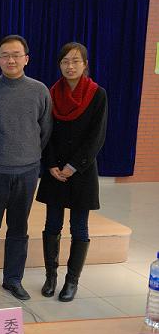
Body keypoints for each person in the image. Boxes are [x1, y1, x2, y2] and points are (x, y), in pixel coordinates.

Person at [0, 35, 52, 301]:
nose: (11, 60)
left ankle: (13, 279)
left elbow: (45, 130)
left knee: (19, 228)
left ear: (26, 59)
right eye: (5, 55)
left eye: (16, 55)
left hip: (27, 171)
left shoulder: (39, 90)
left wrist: (29, 155)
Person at [36, 42, 107, 302]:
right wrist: (51, 164)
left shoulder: (97, 94)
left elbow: (96, 137)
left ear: (85, 64)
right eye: (65, 61)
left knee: (79, 227)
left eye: (76, 61)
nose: (70, 66)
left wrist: (74, 166)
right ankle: (51, 277)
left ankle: (71, 281)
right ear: (59, 65)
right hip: (55, 170)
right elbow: (46, 132)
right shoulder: (51, 93)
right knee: (52, 224)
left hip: (82, 171)